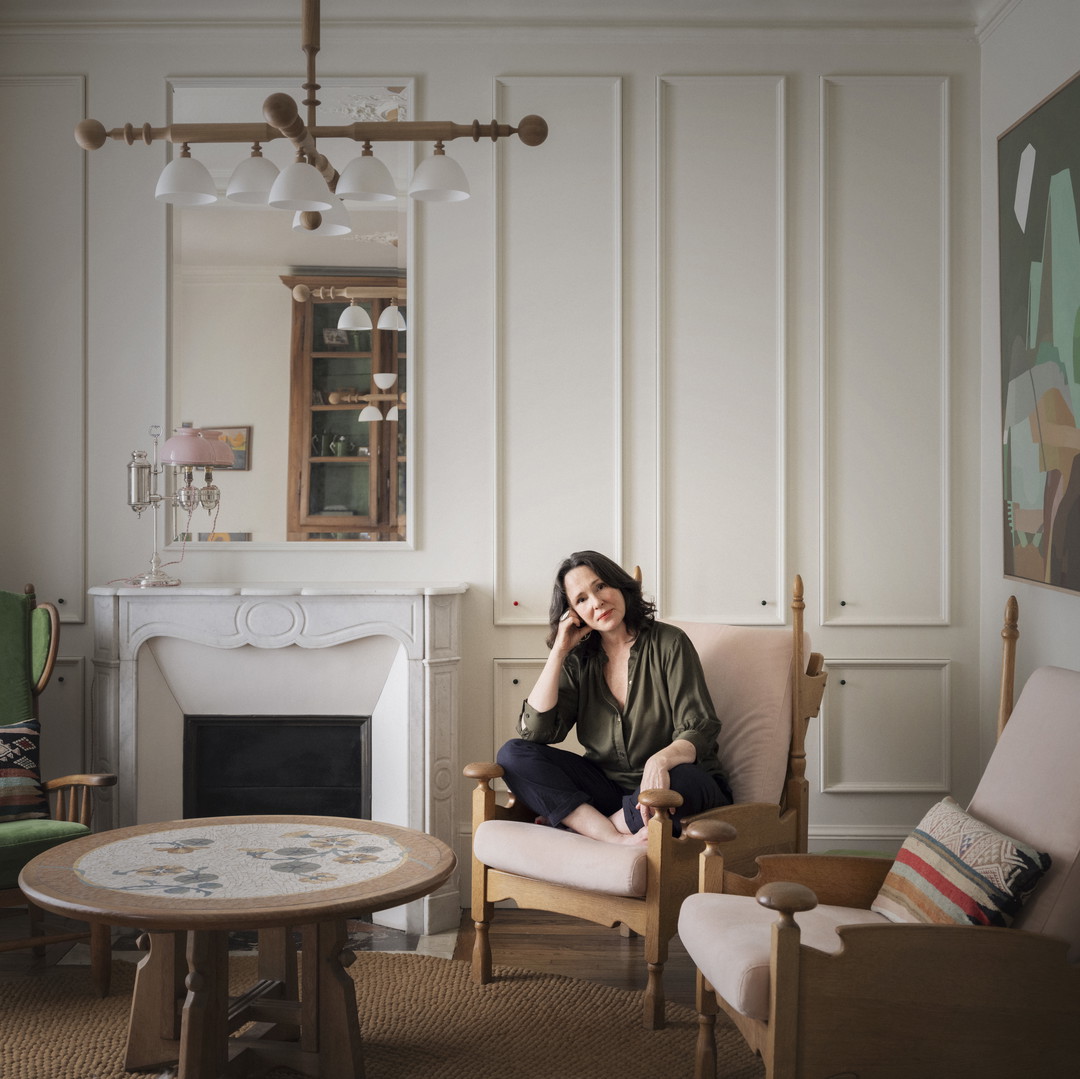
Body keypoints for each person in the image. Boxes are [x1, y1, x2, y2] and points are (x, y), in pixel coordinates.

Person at [497, 551, 733, 846]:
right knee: (511, 754)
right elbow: (538, 731)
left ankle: (585, 828)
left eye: (600, 586)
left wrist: (659, 762)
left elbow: (699, 726)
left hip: (674, 784)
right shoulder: (579, 659)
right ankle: (612, 835)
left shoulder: (670, 643)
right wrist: (559, 651)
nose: (596, 603)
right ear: (573, 613)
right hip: (609, 789)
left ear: (619, 586)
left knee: (685, 779)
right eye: (581, 599)